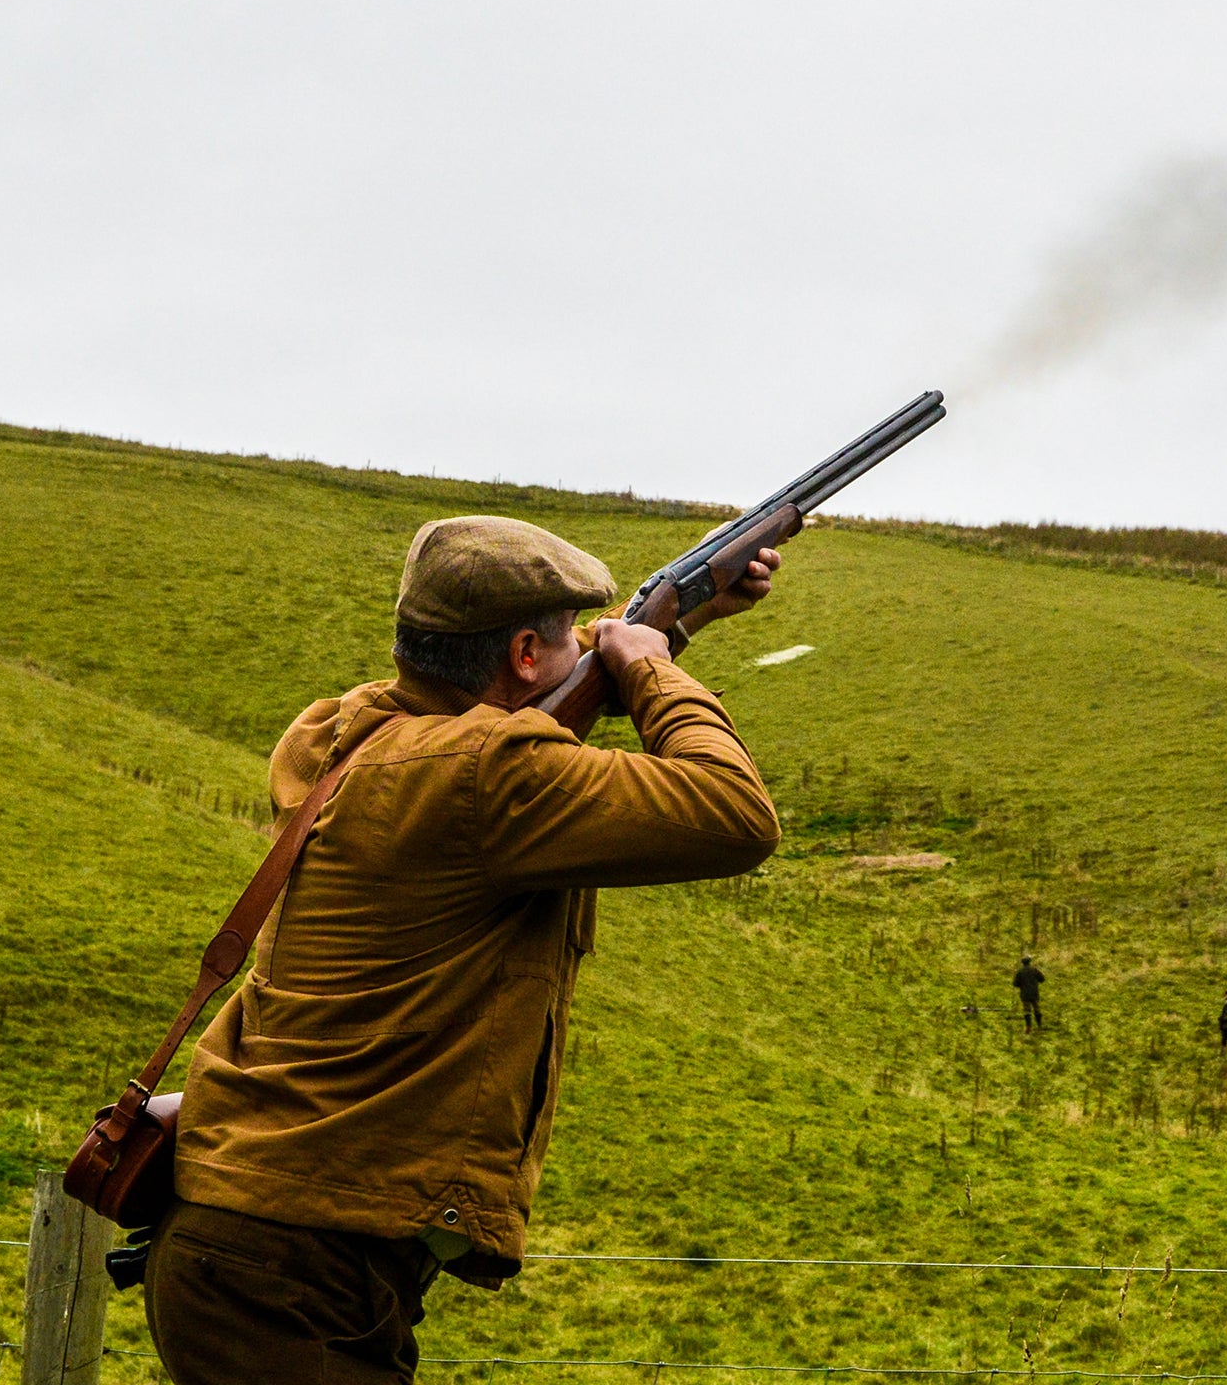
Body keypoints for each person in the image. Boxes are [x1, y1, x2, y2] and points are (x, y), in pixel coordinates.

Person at [143, 515, 785, 1385]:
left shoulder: (343, 733)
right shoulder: (485, 771)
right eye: (564, 640)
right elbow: (733, 814)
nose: (584, 650)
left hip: (265, 1247)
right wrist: (652, 668)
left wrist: (675, 615)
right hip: (293, 1273)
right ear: (524, 654)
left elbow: (507, 718)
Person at [1012, 956, 1045, 1031]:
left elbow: (1015, 984)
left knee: (1027, 1010)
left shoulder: (1020, 971)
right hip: (1034, 993)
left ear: (1022, 963)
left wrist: (1021, 984)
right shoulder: (1034, 970)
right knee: (1037, 1009)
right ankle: (1039, 1025)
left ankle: (1028, 1027)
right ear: (1030, 962)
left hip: (1025, 994)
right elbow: (1042, 979)